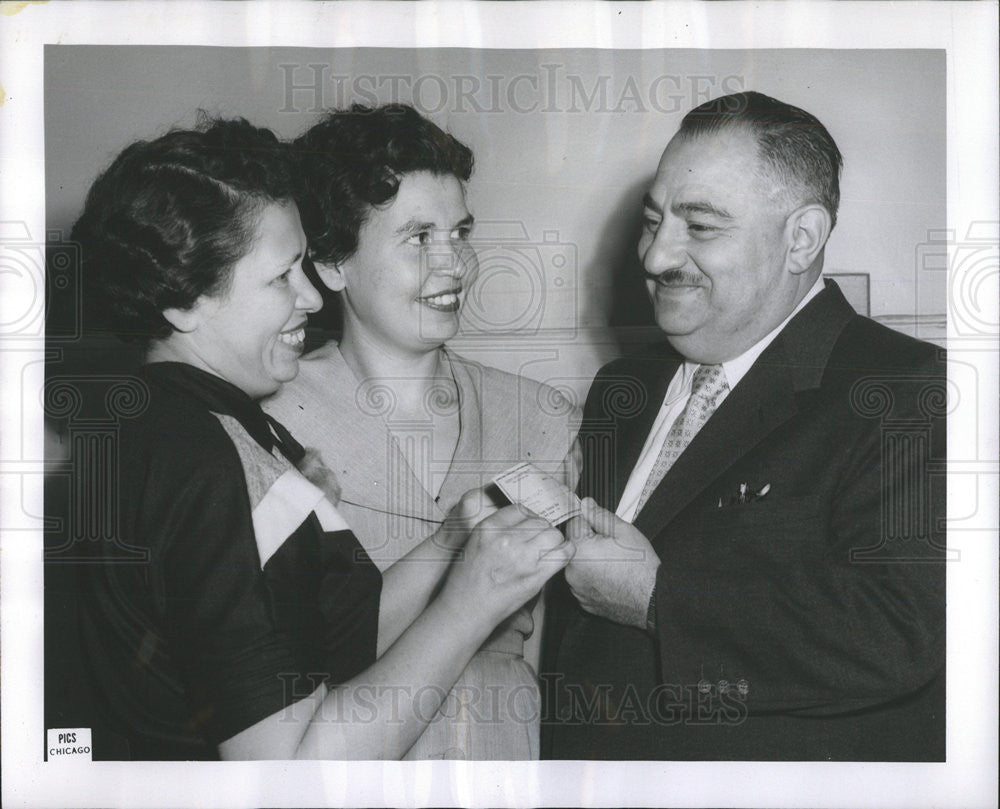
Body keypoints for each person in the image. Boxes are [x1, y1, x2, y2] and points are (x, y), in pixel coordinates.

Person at [71, 117, 573, 761]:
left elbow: (334, 640)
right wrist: (470, 605)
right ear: (184, 301)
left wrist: (452, 542)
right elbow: (292, 774)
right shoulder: (196, 454)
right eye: (283, 276)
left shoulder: (226, 431)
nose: (309, 297)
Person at [542, 91, 946, 761]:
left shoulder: (907, 391)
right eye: (653, 220)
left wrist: (654, 598)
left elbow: (894, 633)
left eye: (699, 226)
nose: (655, 255)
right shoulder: (625, 388)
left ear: (802, 238)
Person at [264, 104, 581, 760]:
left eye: (460, 231)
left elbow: (555, 653)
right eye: (418, 237)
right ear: (331, 264)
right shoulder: (267, 422)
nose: (456, 264)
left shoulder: (542, 418)